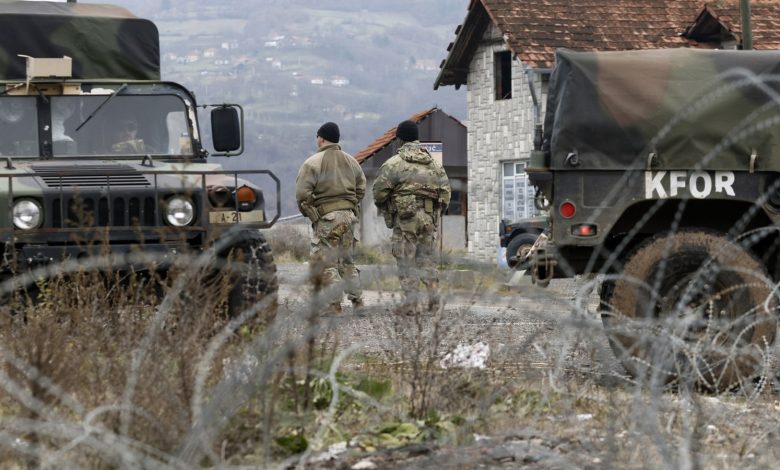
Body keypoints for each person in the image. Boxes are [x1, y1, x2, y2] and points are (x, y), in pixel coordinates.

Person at [373, 120, 451, 312]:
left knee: (405, 259)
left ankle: (411, 303)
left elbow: (379, 193)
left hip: (405, 218)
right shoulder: (434, 164)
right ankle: (433, 298)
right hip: (428, 218)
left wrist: (389, 207)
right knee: (426, 258)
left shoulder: (393, 164)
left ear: (399, 140)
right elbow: (446, 193)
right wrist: (434, 213)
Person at [296, 122, 366, 312]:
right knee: (347, 261)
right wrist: (350, 207)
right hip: (349, 217)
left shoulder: (312, 163)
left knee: (326, 261)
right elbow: (361, 189)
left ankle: (333, 304)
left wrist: (313, 215)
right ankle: (358, 302)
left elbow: (303, 194)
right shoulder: (352, 162)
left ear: (321, 138)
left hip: (328, 217)